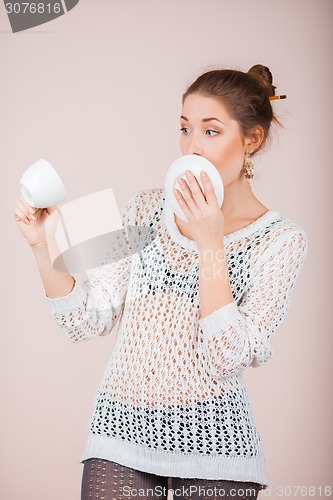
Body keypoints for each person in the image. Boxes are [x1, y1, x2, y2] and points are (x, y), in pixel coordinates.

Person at [14, 64, 308, 500]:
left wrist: (210, 239)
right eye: (185, 128)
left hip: (216, 445)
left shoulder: (282, 239)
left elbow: (227, 358)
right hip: (119, 433)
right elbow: (86, 322)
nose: (192, 146)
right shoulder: (143, 209)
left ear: (251, 140)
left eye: (211, 131)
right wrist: (42, 245)